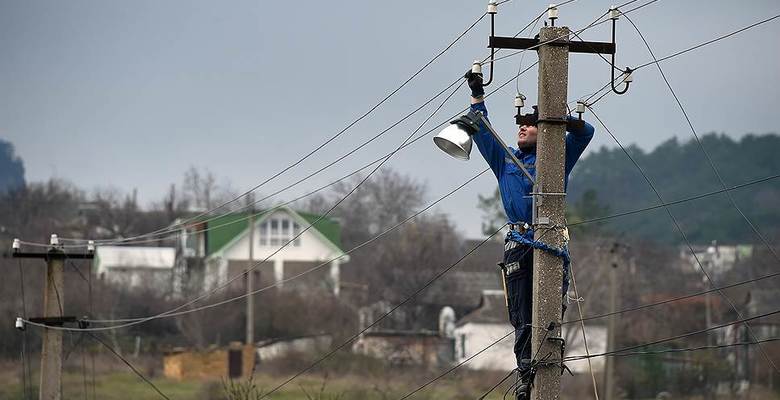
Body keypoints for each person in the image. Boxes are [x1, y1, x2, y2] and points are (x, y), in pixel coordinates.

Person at [464, 70, 594, 399]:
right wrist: (477, 97)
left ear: (546, 131)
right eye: (521, 124)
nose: (523, 127)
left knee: (549, 312)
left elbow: (585, 132)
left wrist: (557, 116)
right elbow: (482, 131)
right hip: (519, 244)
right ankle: (525, 373)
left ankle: (547, 364)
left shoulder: (556, 158)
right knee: (521, 313)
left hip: (549, 242)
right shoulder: (507, 161)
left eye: (531, 124)